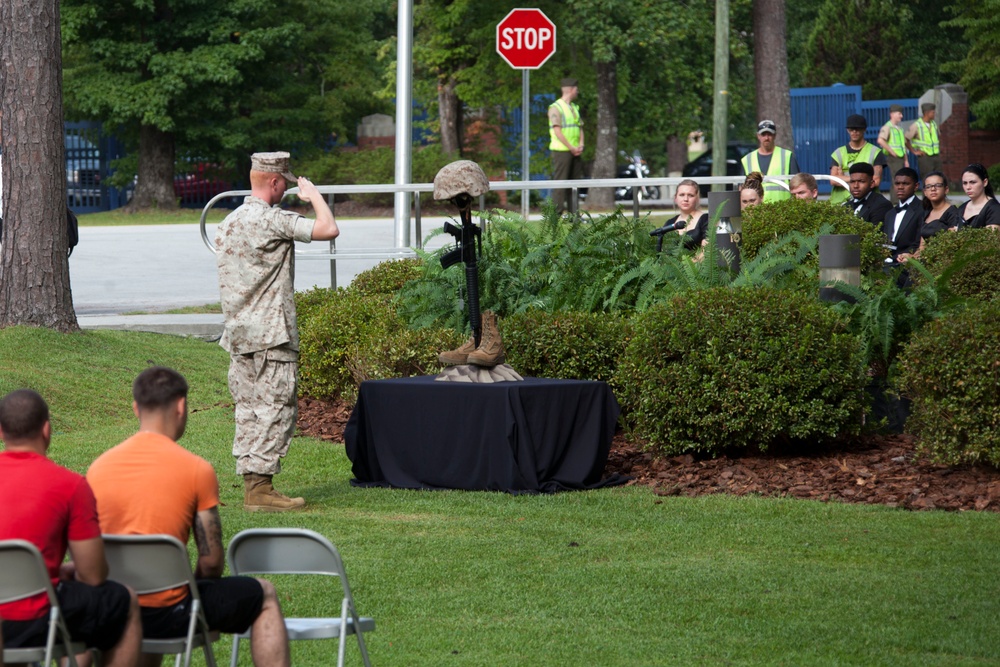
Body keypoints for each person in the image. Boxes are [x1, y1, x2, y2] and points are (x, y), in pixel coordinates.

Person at [87, 367, 292, 667]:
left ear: (136, 408)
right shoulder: (196, 469)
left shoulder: (98, 469)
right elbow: (210, 562)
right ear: (181, 406)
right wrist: (188, 591)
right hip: (174, 612)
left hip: (114, 611)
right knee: (265, 595)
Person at [215, 151, 339, 511]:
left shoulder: (230, 221)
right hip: (272, 333)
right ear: (273, 181)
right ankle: (261, 490)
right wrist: (313, 195)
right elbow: (328, 228)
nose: (286, 187)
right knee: (275, 408)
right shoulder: (272, 220)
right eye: (285, 181)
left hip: (238, 334)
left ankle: (253, 484)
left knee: (249, 409)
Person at [0, 389, 142, 667]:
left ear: (2, 431)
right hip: (40, 618)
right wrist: (67, 570)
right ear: (46, 429)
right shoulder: (70, 485)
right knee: (126, 601)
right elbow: (92, 576)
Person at [830, 114, 887, 205]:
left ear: (864, 130)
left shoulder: (875, 152)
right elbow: (833, 180)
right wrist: (862, 179)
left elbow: (876, 181)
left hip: (867, 203)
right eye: (851, 129)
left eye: (858, 129)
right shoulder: (838, 153)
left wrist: (843, 177)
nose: (854, 132)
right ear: (847, 130)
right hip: (840, 203)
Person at [548, 78, 585, 214]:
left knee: (574, 184)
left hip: (575, 151)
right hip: (561, 151)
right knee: (561, 184)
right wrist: (571, 147)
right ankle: (555, 216)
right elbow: (557, 131)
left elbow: (580, 127)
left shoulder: (574, 108)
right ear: (570, 90)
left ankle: (574, 215)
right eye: (576, 89)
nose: (578, 91)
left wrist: (581, 145)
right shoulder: (556, 107)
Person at [739, 120, 799, 202]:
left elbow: (798, 185)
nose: (766, 138)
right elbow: (741, 188)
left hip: (782, 209)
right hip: (756, 210)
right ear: (758, 136)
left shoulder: (787, 156)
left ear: (775, 135)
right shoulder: (747, 160)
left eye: (769, 134)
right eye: (763, 134)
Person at [882, 168, 924, 263]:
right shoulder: (890, 213)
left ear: (916, 186)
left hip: (909, 262)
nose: (900, 187)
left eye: (905, 184)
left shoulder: (922, 209)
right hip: (886, 263)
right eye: (897, 184)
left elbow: (918, 243)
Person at [915, 171, 960, 254]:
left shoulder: (953, 213)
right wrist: (911, 257)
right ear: (925, 192)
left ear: (946, 189)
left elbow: (950, 244)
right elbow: (922, 246)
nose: (933, 189)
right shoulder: (926, 212)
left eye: (938, 185)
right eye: (928, 186)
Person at [877, 104, 909, 203]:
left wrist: (906, 160)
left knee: (901, 179)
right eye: (899, 114)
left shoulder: (899, 129)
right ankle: (895, 202)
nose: (901, 116)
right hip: (893, 158)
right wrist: (892, 152)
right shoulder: (887, 127)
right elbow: (880, 140)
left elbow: (903, 146)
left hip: (900, 158)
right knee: (897, 180)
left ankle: (900, 201)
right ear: (892, 114)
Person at [957, 163, 1000, 230]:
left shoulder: (994, 209)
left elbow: (991, 238)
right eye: (965, 183)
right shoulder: (961, 208)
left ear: (985, 182)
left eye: (973, 182)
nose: (968, 187)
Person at [906, 102, 943, 180]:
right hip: (925, 157)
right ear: (927, 113)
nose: (934, 114)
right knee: (927, 179)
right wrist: (914, 151)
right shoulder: (917, 125)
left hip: (936, 156)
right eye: (933, 112)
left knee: (939, 178)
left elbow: (938, 137)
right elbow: (906, 139)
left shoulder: (934, 124)